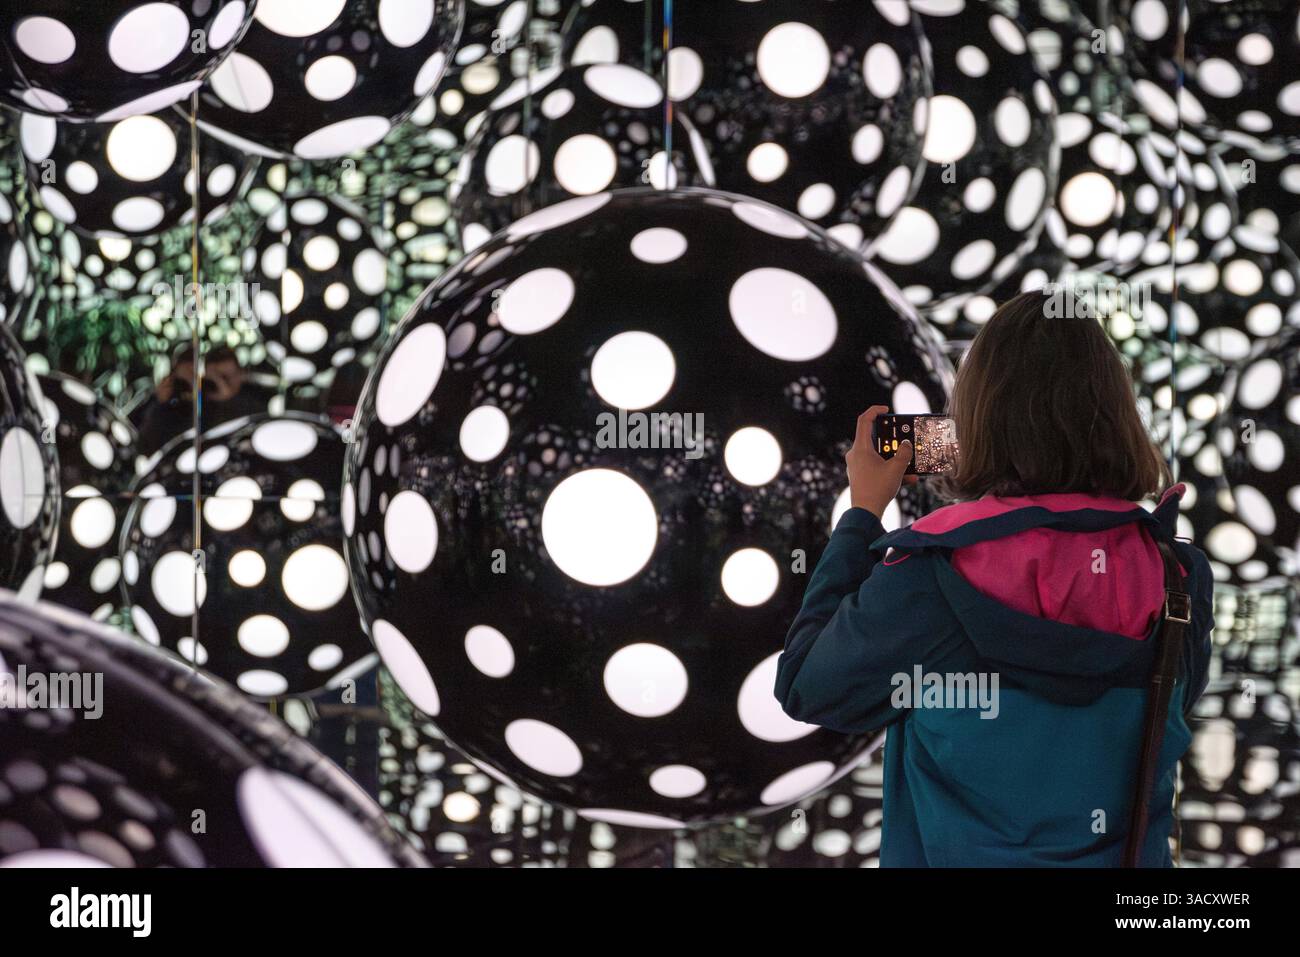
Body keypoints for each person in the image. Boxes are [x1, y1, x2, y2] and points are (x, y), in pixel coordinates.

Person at [775, 289, 1214, 867]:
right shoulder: (1176, 574)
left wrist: (860, 516)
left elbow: (807, 687)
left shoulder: (933, 569)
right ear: (1114, 413)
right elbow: (1175, 703)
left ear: (975, 420)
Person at [136, 344, 270, 454]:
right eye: (217, 377)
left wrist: (226, 399)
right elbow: (146, 446)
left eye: (228, 376)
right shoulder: (192, 409)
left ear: (241, 374)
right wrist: (161, 404)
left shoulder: (254, 402)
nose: (223, 383)